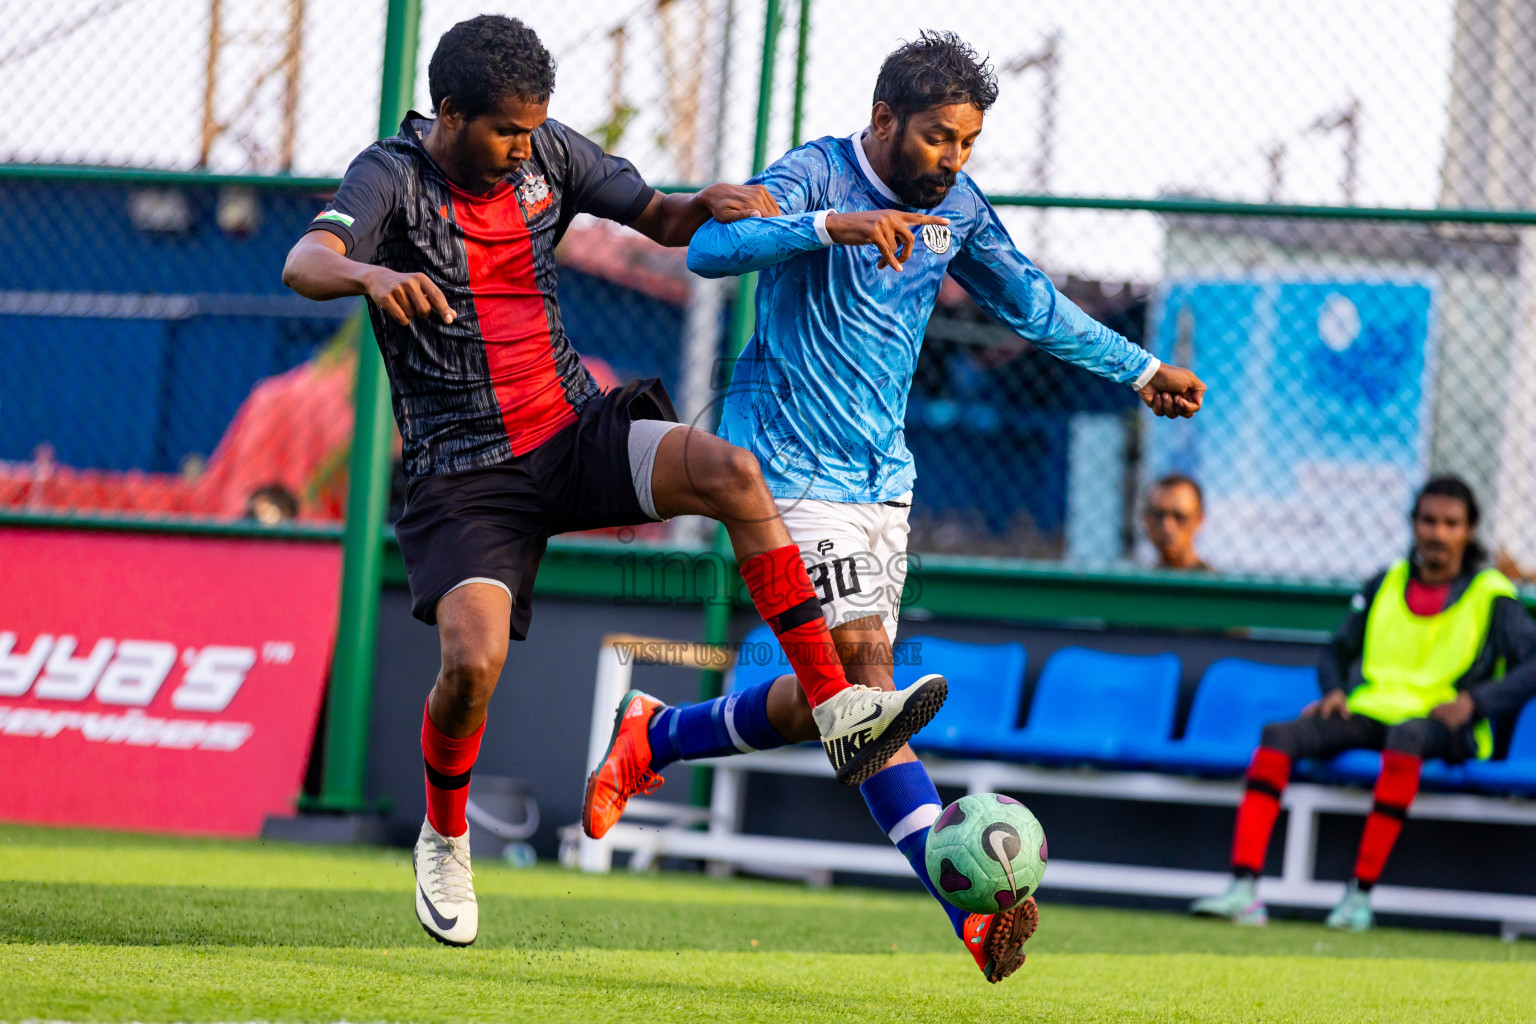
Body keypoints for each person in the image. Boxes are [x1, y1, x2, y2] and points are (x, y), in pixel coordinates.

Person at [281, 15, 948, 948]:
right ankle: (445, 832)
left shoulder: (549, 152)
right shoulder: (388, 176)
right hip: (467, 479)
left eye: (532, 131)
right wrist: (366, 276)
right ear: (448, 114)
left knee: (730, 469)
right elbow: (303, 259)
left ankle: (833, 699)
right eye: (505, 132)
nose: (522, 150)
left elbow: (661, 219)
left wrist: (708, 204)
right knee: (471, 671)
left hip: (574, 432)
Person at [581, 31, 1205, 983]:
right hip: (783, 473)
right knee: (868, 686)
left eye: (967, 144)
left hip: (884, 484)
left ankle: (656, 734)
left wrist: (1143, 368)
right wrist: (830, 226)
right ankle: (967, 907)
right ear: (884, 120)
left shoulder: (956, 205)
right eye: (937, 139)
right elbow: (712, 247)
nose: (952, 161)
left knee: (830, 706)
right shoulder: (816, 172)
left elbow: (1032, 304)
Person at [1190, 475, 1536, 930]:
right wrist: (1333, 690)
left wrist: (1475, 702)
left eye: (1450, 523)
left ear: (1469, 531)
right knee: (1278, 735)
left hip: (1444, 725)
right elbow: (1336, 650)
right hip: (1371, 711)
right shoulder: (1385, 582)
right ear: (1413, 524)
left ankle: (1358, 898)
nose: (1437, 533)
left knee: (1407, 735)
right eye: (1428, 521)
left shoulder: (1492, 594)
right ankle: (1244, 889)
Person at [1142, 473, 1211, 571]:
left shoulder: (1214, 583)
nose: (1167, 527)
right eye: (1158, 515)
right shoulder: (1138, 581)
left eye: (1179, 517)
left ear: (1199, 520)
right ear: (1146, 519)